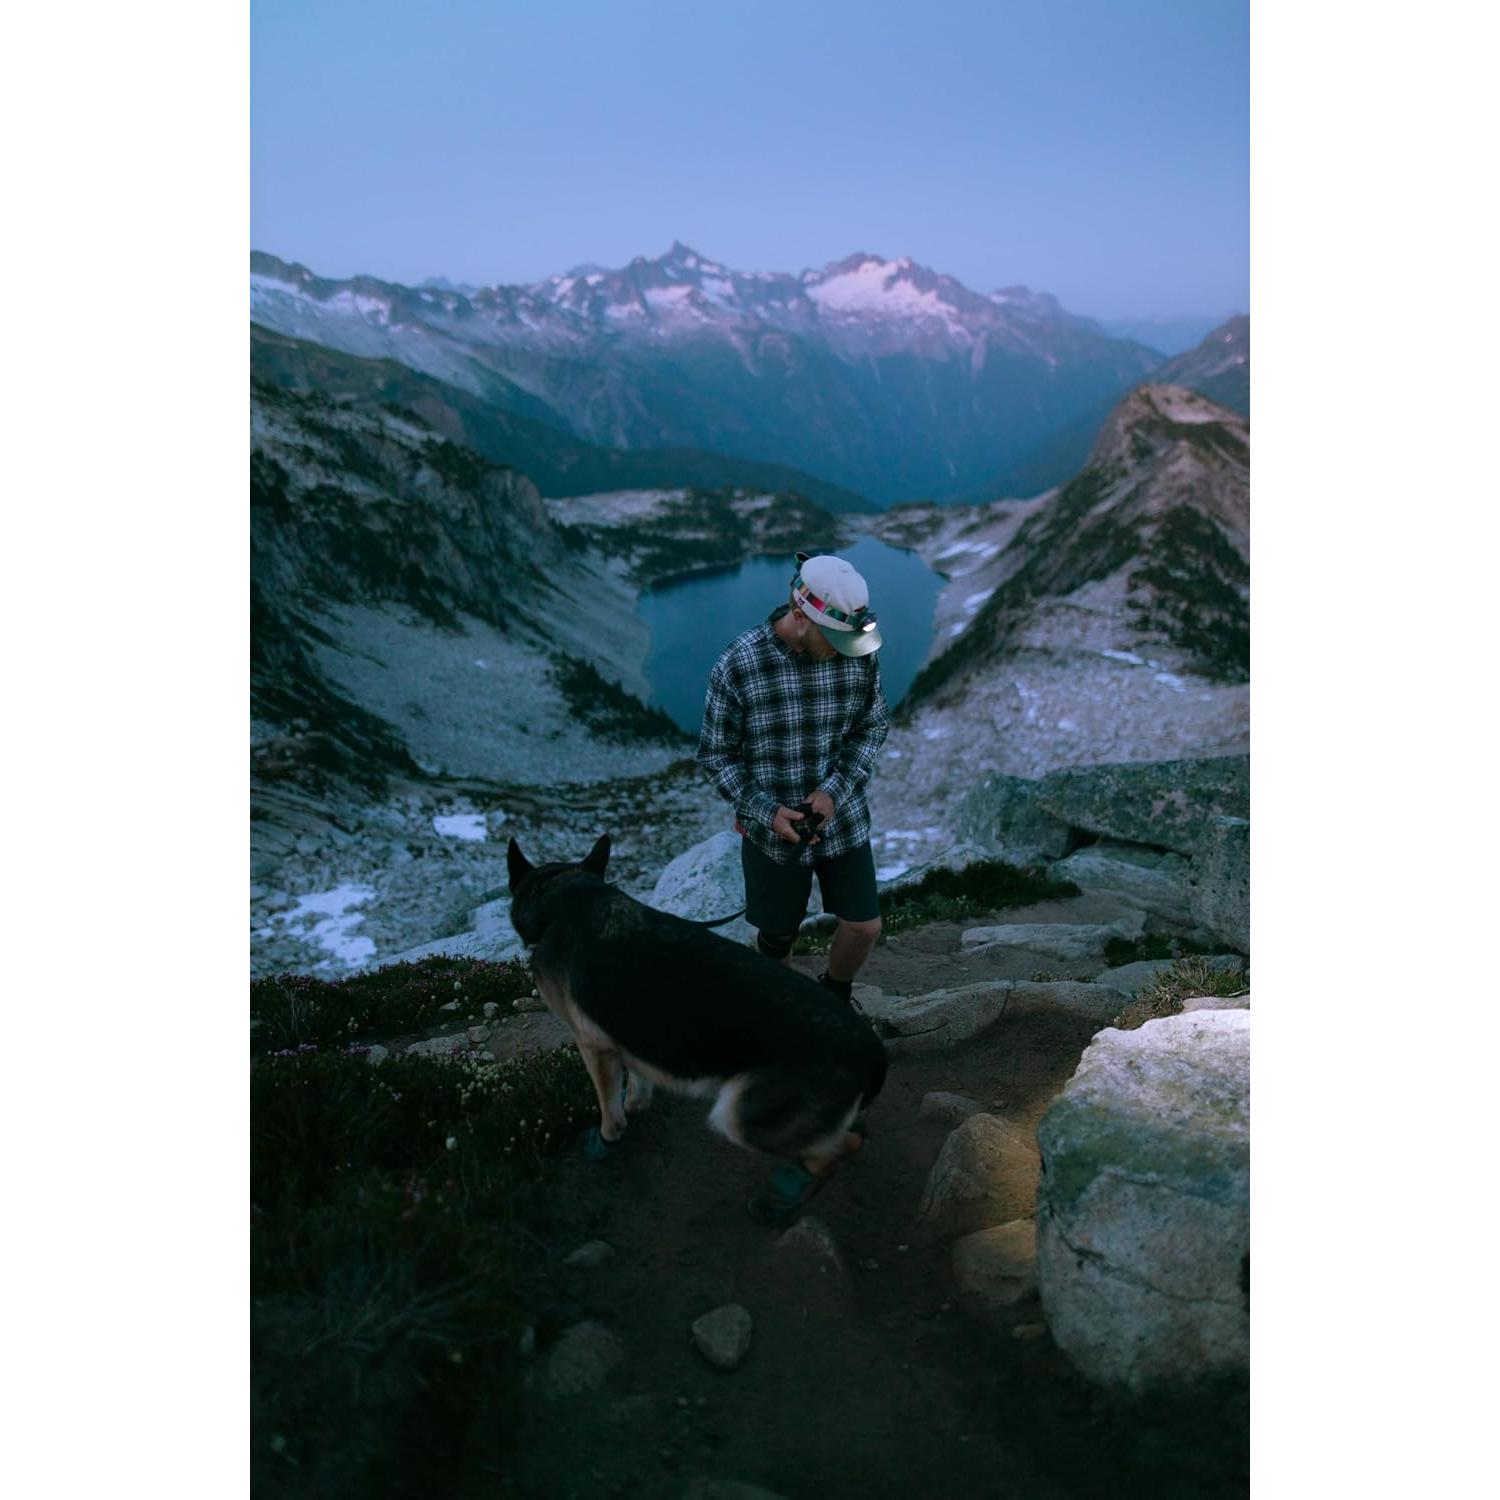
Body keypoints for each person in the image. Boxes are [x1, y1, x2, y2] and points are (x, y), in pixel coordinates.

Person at [697, 550, 889, 1015]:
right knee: (778, 934)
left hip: (842, 820)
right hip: (772, 832)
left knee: (864, 925)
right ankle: (780, 1013)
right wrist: (766, 811)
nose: (845, 650)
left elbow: (873, 726)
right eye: (835, 638)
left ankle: (835, 996)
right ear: (801, 616)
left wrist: (834, 793)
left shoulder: (857, 655)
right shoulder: (739, 664)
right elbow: (716, 756)